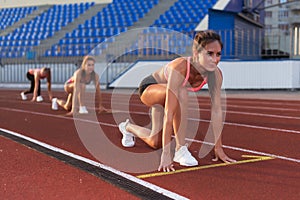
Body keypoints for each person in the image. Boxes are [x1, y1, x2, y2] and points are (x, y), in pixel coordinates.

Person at [118, 30, 236, 172]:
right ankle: (180, 149)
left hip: (168, 96)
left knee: (155, 142)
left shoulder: (215, 74)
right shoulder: (180, 68)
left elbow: (216, 110)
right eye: (209, 54)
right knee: (181, 91)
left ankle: (127, 127)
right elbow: (169, 113)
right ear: (196, 53)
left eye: (218, 54)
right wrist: (166, 154)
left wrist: (218, 147)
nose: (215, 59)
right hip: (150, 89)